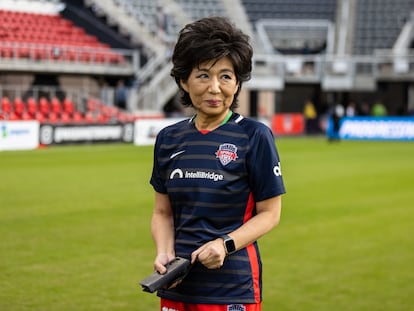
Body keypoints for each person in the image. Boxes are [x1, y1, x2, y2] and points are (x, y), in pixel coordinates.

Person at [149, 16, 286, 311]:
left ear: (237, 83)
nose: (215, 88)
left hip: (231, 289)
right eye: (203, 75)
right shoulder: (168, 138)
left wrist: (224, 245)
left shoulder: (254, 136)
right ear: (184, 81)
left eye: (226, 76)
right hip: (176, 284)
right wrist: (164, 252)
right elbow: (162, 213)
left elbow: (270, 214)